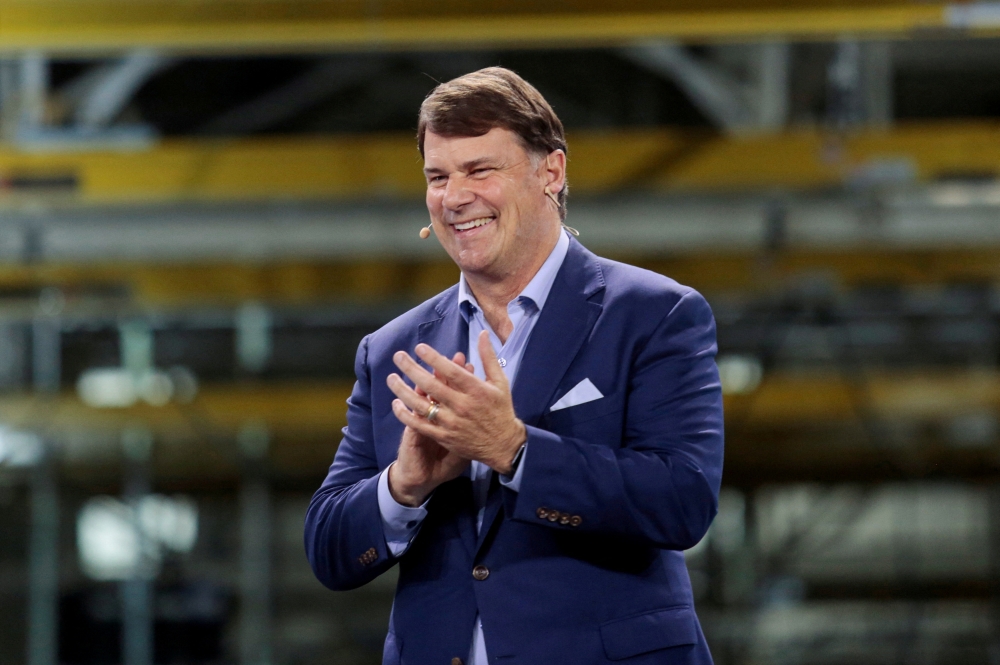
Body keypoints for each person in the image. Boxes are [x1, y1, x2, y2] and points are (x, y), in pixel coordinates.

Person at [305, 67, 724, 665]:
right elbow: (328, 548)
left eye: (480, 170)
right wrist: (404, 487)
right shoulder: (392, 348)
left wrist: (516, 449)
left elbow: (682, 501)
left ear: (550, 172)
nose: (454, 197)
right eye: (438, 177)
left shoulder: (654, 314)